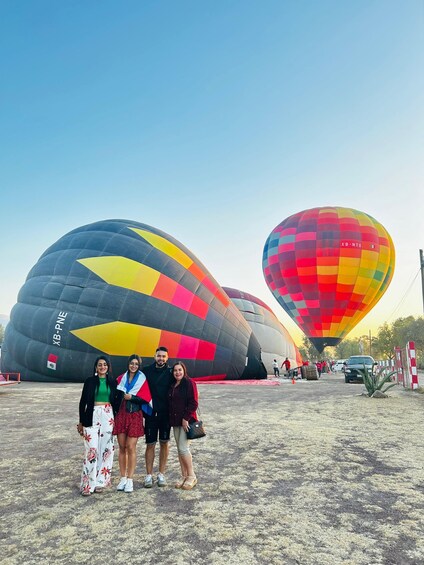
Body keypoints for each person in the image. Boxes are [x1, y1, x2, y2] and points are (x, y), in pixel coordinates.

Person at [113, 354, 153, 493]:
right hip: (122, 414)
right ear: (128, 364)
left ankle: (130, 480)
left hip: (135, 415)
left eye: (136, 364)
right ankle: (122, 478)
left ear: (139, 365)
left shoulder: (142, 379)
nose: (134, 366)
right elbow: (114, 396)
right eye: (132, 363)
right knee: (122, 447)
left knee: (131, 447)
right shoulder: (120, 378)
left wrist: (133, 397)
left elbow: (146, 399)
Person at [77, 355, 116, 496]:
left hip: (108, 414)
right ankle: (87, 484)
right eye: (100, 365)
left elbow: (117, 401)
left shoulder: (112, 382)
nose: (102, 367)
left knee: (106, 449)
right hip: (91, 415)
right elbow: (82, 402)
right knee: (92, 450)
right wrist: (81, 422)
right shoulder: (89, 381)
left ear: (108, 367)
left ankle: (101, 481)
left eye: (105, 364)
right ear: (96, 367)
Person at [142, 346, 173, 488]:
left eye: (163, 356)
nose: (161, 358)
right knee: (150, 444)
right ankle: (149, 475)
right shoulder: (146, 371)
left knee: (164, 443)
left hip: (166, 415)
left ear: (167, 358)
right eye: (158, 356)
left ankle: (161, 474)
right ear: (154, 356)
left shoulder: (171, 372)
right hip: (151, 414)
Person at [168, 361, 199, 490]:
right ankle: (184, 475)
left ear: (184, 370)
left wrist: (186, 418)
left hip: (186, 421)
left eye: (180, 370)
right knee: (179, 449)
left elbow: (194, 402)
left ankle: (192, 476)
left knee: (183, 448)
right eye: (175, 370)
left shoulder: (189, 383)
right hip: (175, 421)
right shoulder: (173, 384)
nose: (177, 372)